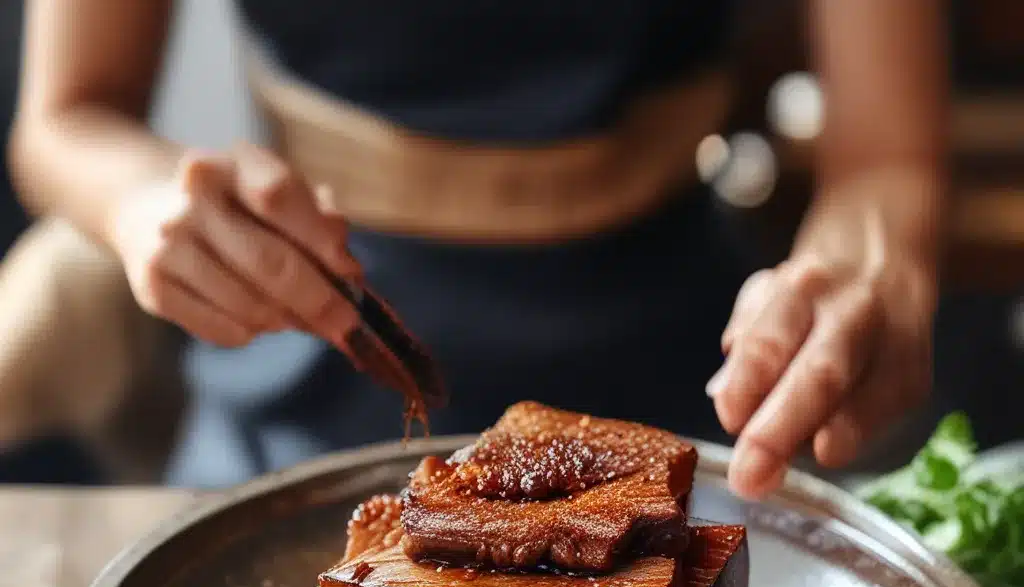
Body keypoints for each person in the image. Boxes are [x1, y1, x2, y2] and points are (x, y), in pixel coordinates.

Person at [9, 0, 945, 495]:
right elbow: (64, 120)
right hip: (313, 360)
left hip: (694, 392)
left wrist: (868, 275)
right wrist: (144, 199)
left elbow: (887, 161)